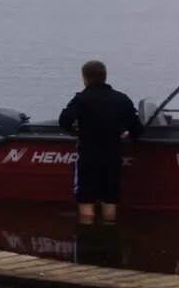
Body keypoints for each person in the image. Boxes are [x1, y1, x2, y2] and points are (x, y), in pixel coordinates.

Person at [58, 60, 142, 223]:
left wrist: (75, 132)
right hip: (112, 157)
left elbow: (64, 121)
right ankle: (108, 233)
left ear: (85, 78)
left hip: (88, 157)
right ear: (105, 76)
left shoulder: (81, 99)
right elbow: (137, 129)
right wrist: (125, 134)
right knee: (110, 200)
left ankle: (89, 235)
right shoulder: (121, 99)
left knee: (86, 201)